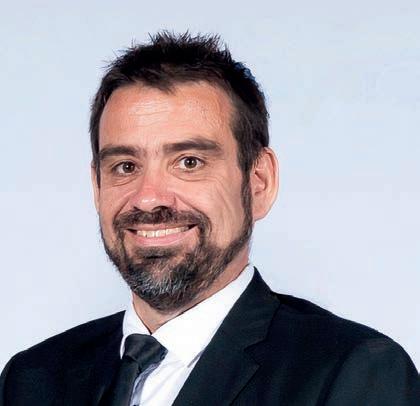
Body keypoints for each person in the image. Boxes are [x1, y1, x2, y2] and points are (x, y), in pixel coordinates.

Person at [1, 32, 419, 406]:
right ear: (96, 186)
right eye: (125, 166)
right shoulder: (31, 380)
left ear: (259, 183)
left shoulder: (352, 373)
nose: (148, 198)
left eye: (189, 161)